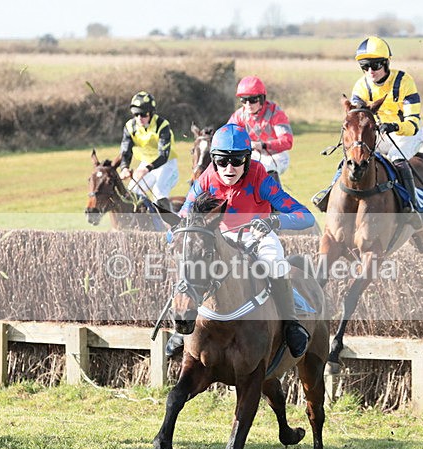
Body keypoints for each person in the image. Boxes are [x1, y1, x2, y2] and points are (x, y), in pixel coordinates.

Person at [166, 123, 315, 359]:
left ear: (247, 159)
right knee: (194, 262)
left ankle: (291, 324)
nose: (229, 168)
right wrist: (175, 238)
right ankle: (183, 329)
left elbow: (305, 217)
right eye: (222, 161)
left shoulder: (260, 177)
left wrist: (274, 223)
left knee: (274, 262)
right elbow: (182, 218)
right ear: (214, 160)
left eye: (237, 160)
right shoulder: (206, 179)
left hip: (258, 235)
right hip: (221, 236)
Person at [312, 36, 423, 229]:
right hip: (378, 132)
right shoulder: (361, 86)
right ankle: (330, 192)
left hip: (406, 134)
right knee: (353, 155)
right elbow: (358, 116)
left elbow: (412, 123)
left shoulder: (405, 81)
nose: (370, 71)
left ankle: (410, 206)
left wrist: (394, 126)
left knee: (397, 158)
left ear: (386, 63)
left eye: (375, 65)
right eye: (365, 67)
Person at [117, 91, 179, 212]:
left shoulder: (162, 125)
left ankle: (171, 224)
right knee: (133, 193)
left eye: (143, 114)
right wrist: (124, 167)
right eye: (136, 114)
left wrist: (146, 169)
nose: (140, 118)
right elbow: (125, 151)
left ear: (151, 113)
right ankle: (148, 221)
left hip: (167, 165)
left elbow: (163, 156)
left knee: (159, 192)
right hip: (146, 163)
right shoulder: (130, 127)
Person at [228, 76, 293, 181]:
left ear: (262, 98)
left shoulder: (275, 113)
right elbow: (228, 136)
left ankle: (275, 196)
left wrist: (263, 145)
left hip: (277, 156)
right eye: (244, 100)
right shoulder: (239, 115)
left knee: (264, 169)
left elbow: (287, 142)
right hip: (253, 154)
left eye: (253, 100)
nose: (248, 104)